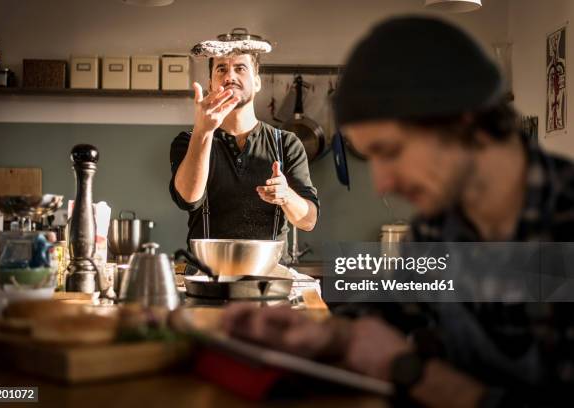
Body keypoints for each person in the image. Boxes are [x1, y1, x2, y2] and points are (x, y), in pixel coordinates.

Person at [222, 16, 574, 407]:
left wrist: (413, 372)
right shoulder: (440, 227)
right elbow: (391, 309)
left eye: (390, 152)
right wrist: (323, 335)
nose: (382, 184)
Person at [170, 35, 319, 263]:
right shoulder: (188, 141)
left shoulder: (287, 143)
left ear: (257, 82)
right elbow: (188, 199)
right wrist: (203, 131)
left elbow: (308, 221)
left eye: (240, 68)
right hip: (207, 275)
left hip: (269, 277)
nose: (230, 76)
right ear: (211, 83)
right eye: (221, 69)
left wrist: (286, 196)